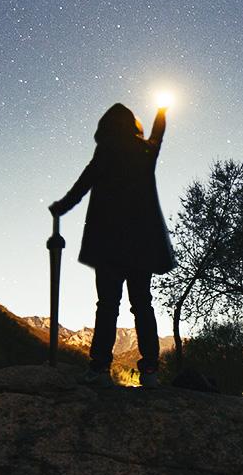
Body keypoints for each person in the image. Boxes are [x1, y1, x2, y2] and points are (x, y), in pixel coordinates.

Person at [49, 102, 176, 388]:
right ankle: (151, 371)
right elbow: (158, 136)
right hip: (141, 245)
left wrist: (61, 207)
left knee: (107, 305)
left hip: (108, 244)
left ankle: (99, 368)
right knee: (143, 305)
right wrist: (161, 114)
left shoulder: (105, 151)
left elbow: (82, 186)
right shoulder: (144, 151)